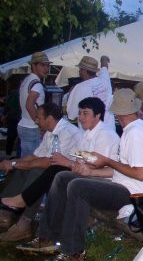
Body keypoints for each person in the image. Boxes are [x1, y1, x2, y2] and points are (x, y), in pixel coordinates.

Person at [19, 88, 143, 261]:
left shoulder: (135, 133)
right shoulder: (132, 130)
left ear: (116, 112)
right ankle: (47, 236)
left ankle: (73, 251)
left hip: (135, 194)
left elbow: (140, 174)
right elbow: (122, 170)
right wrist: (92, 172)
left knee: (78, 187)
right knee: (63, 177)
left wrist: (106, 161)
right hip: (124, 185)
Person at [2, 97, 120, 244]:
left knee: (51, 172)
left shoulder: (104, 134)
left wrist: (68, 163)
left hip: (101, 182)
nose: (81, 117)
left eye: (85, 113)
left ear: (97, 115)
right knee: (50, 173)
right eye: (80, 113)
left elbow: (98, 165)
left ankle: (31, 220)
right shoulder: (88, 134)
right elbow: (81, 160)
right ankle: (33, 225)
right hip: (87, 175)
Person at [0, 103, 83, 241]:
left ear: (49, 118)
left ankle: (25, 223)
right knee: (23, 167)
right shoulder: (51, 132)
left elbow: (50, 162)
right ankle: (6, 212)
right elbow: (35, 156)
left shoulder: (66, 132)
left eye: (38, 118)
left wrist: (16, 164)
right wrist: (14, 163)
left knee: (36, 171)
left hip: (69, 171)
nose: (36, 121)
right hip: (56, 169)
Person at [65, 55, 115, 132]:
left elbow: (71, 116)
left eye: (80, 69)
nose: (79, 71)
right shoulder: (104, 79)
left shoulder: (79, 88)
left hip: (90, 135)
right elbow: (104, 68)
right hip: (109, 130)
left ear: (84, 71)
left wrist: (70, 95)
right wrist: (103, 59)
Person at [17, 52, 50, 156]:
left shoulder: (26, 80)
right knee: (32, 164)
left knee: (25, 161)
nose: (46, 68)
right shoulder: (37, 84)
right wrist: (39, 124)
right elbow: (29, 105)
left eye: (47, 65)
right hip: (32, 128)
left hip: (23, 124)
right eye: (42, 65)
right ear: (33, 66)